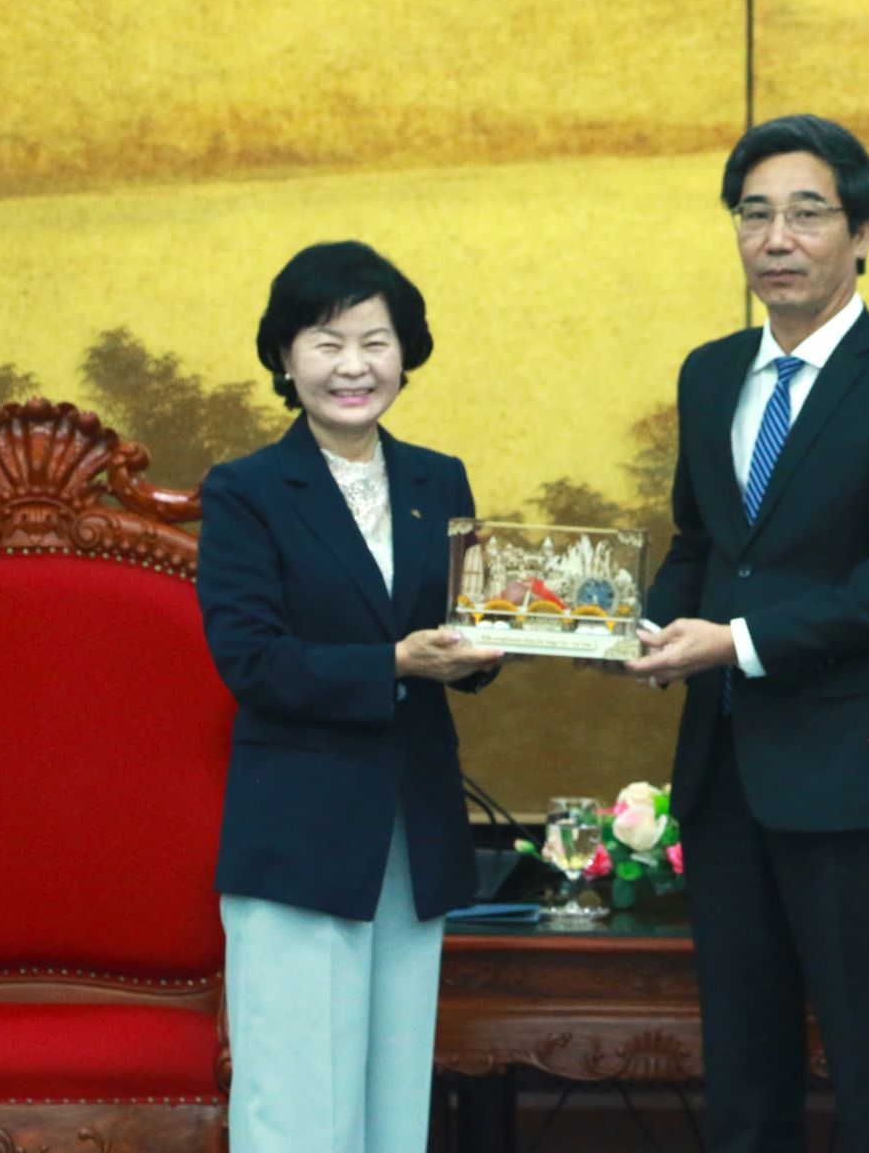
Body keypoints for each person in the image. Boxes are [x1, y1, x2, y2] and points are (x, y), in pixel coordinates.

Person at [628, 115, 869, 1152]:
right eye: (753, 215)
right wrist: (642, 627)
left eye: (805, 214)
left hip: (851, 776)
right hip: (723, 770)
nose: (774, 239)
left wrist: (731, 642)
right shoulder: (708, 373)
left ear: (861, 231)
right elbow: (702, 545)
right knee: (742, 1074)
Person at [197, 241, 503, 1153]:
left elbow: (467, 626)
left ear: (406, 354)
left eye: (376, 341)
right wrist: (394, 664)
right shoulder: (247, 491)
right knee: (297, 1103)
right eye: (327, 342)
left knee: (393, 1098)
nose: (354, 366)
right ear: (285, 358)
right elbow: (251, 659)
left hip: (414, 823)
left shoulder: (435, 479)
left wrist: (507, 642)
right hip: (300, 829)